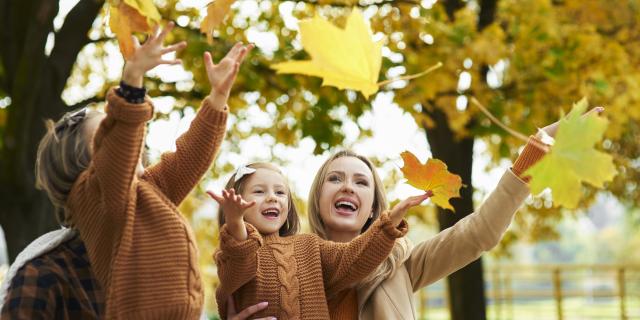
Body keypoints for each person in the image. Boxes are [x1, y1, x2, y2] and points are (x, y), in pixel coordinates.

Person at [13, 20, 253, 319]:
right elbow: (119, 150)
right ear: (82, 166)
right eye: (107, 136)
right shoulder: (97, 200)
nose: (131, 139)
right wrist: (132, 81)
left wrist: (217, 98)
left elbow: (189, 157)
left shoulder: (146, 191)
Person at [306, 108, 604, 319]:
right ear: (317, 197)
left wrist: (536, 151)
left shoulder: (398, 266)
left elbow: (478, 232)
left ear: (373, 206)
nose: (347, 187)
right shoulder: (289, 260)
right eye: (335, 179)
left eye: (360, 182)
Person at [207, 162, 432, 319]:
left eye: (280, 192)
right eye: (258, 191)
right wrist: (235, 222)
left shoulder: (309, 246)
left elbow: (353, 257)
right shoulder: (232, 255)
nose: (272, 197)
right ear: (235, 204)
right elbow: (238, 267)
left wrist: (388, 224)